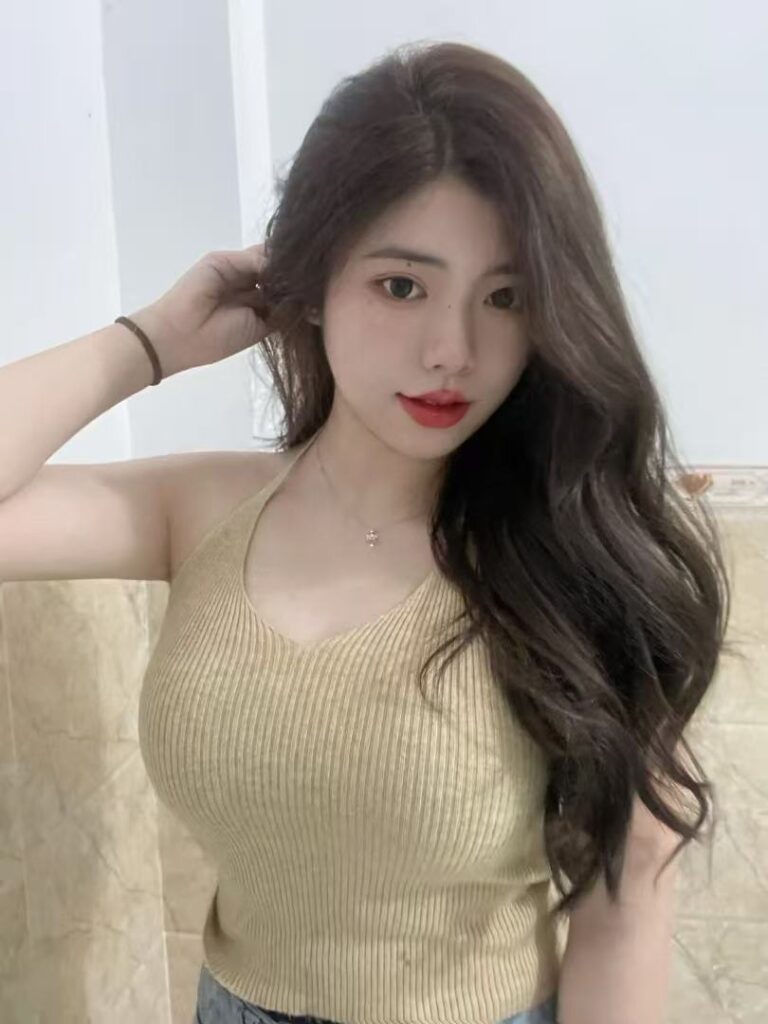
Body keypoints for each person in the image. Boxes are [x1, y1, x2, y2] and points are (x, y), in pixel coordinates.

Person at [0, 40, 736, 1024]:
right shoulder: (205, 510)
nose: (452, 351)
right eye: (402, 285)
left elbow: (627, 904)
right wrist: (150, 342)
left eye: (506, 298)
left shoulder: (576, 556)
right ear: (312, 283)